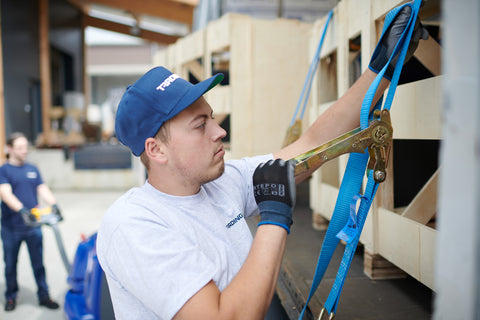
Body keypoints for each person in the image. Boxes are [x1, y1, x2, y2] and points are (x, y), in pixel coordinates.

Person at [97, 5, 427, 320]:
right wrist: (274, 218)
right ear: (156, 151)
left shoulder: (219, 182)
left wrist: (380, 70)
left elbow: (309, 147)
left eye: (212, 118)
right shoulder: (135, 226)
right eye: (200, 126)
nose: (220, 131)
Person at [0, 132, 62, 311]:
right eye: (20, 147)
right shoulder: (4, 170)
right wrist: (22, 210)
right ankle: (11, 296)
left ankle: (44, 296)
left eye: (26, 147)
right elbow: (5, 193)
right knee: (10, 264)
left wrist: (54, 204)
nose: (24, 151)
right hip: (12, 228)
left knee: (39, 264)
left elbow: (42, 188)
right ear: (10, 149)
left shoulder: (33, 169)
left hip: (34, 226)